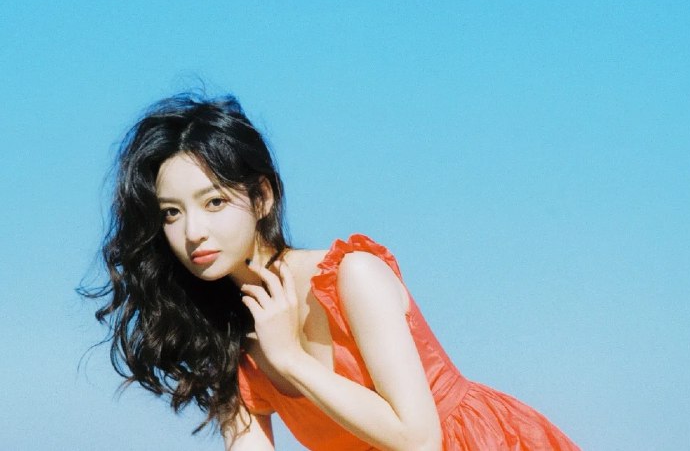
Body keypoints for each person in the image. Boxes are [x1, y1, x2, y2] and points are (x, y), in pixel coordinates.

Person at [83, 92, 581, 451]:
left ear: (262, 197)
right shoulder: (226, 336)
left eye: (214, 202)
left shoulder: (351, 276)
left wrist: (290, 359)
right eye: (172, 213)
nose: (193, 231)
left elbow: (419, 439)